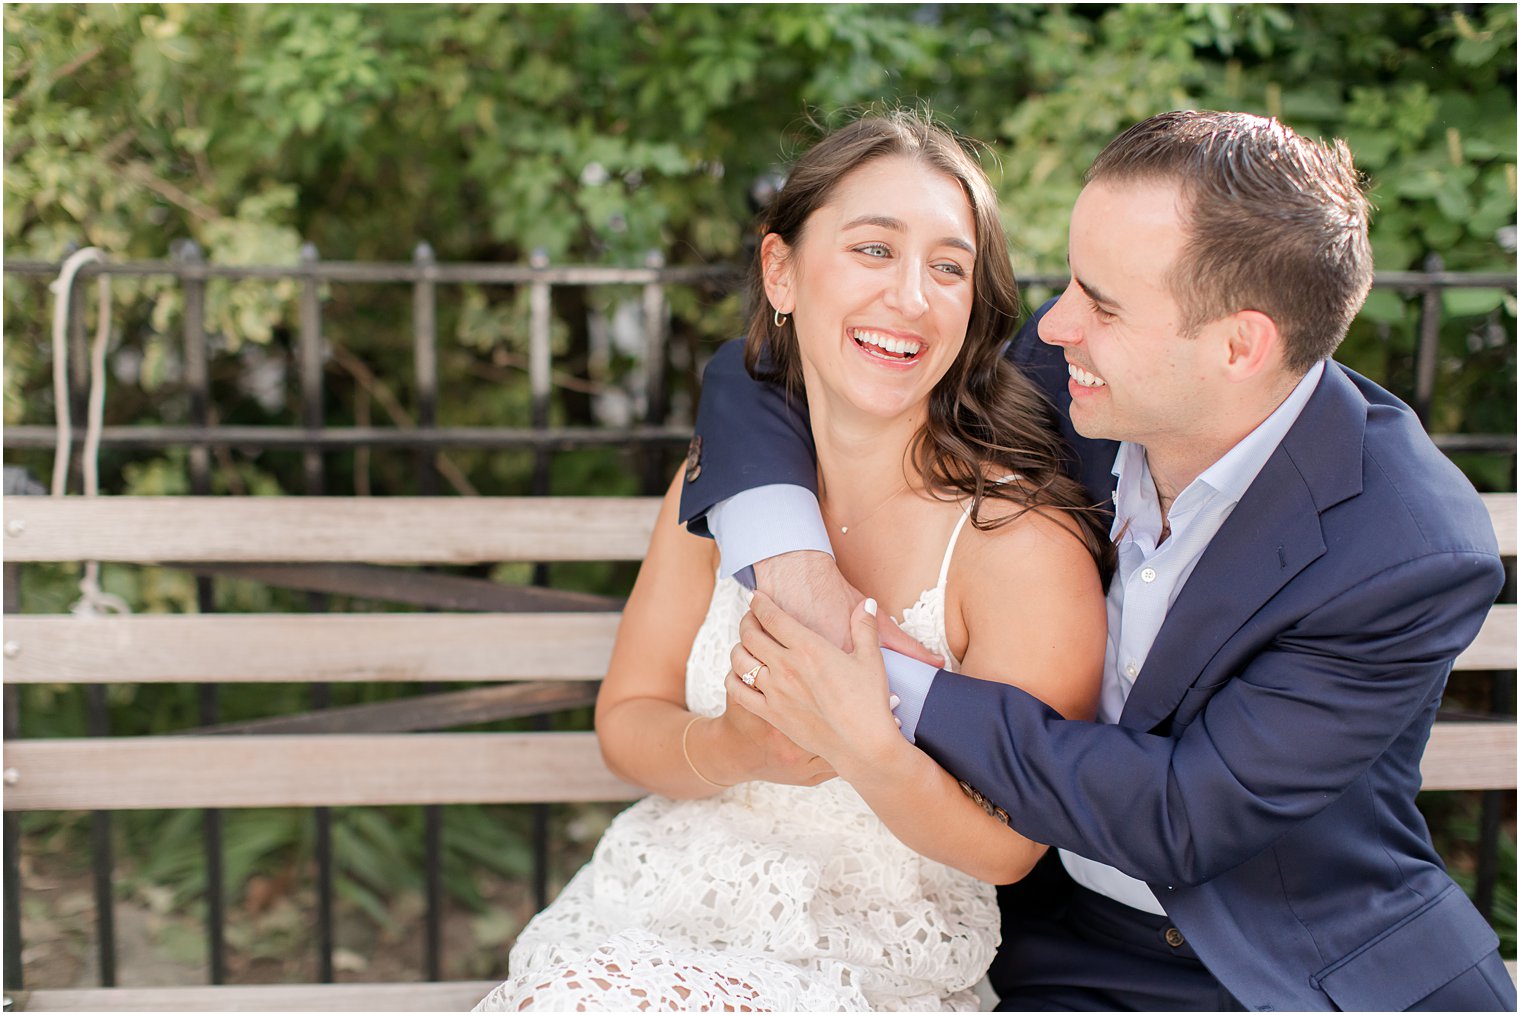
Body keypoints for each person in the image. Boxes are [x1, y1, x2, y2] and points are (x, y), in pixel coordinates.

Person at [688, 110, 1515, 1011]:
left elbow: (1179, 814)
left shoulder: (1405, 548)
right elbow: (759, 374)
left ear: (1242, 346)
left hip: (1304, 967)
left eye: (1102, 304)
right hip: (1066, 949)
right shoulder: (1072, 377)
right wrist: (799, 567)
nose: (1055, 322)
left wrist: (872, 671)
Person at [472, 110, 1112, 1012]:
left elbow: (1012, 846)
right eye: (873, 251)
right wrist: (736, 747)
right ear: (782, 271)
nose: (911, 298)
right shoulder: (724, 485)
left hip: (869, 957)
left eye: (947, 266)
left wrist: (867, 747)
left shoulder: (1016, 537)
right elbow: (627, 720)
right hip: (648, 911)